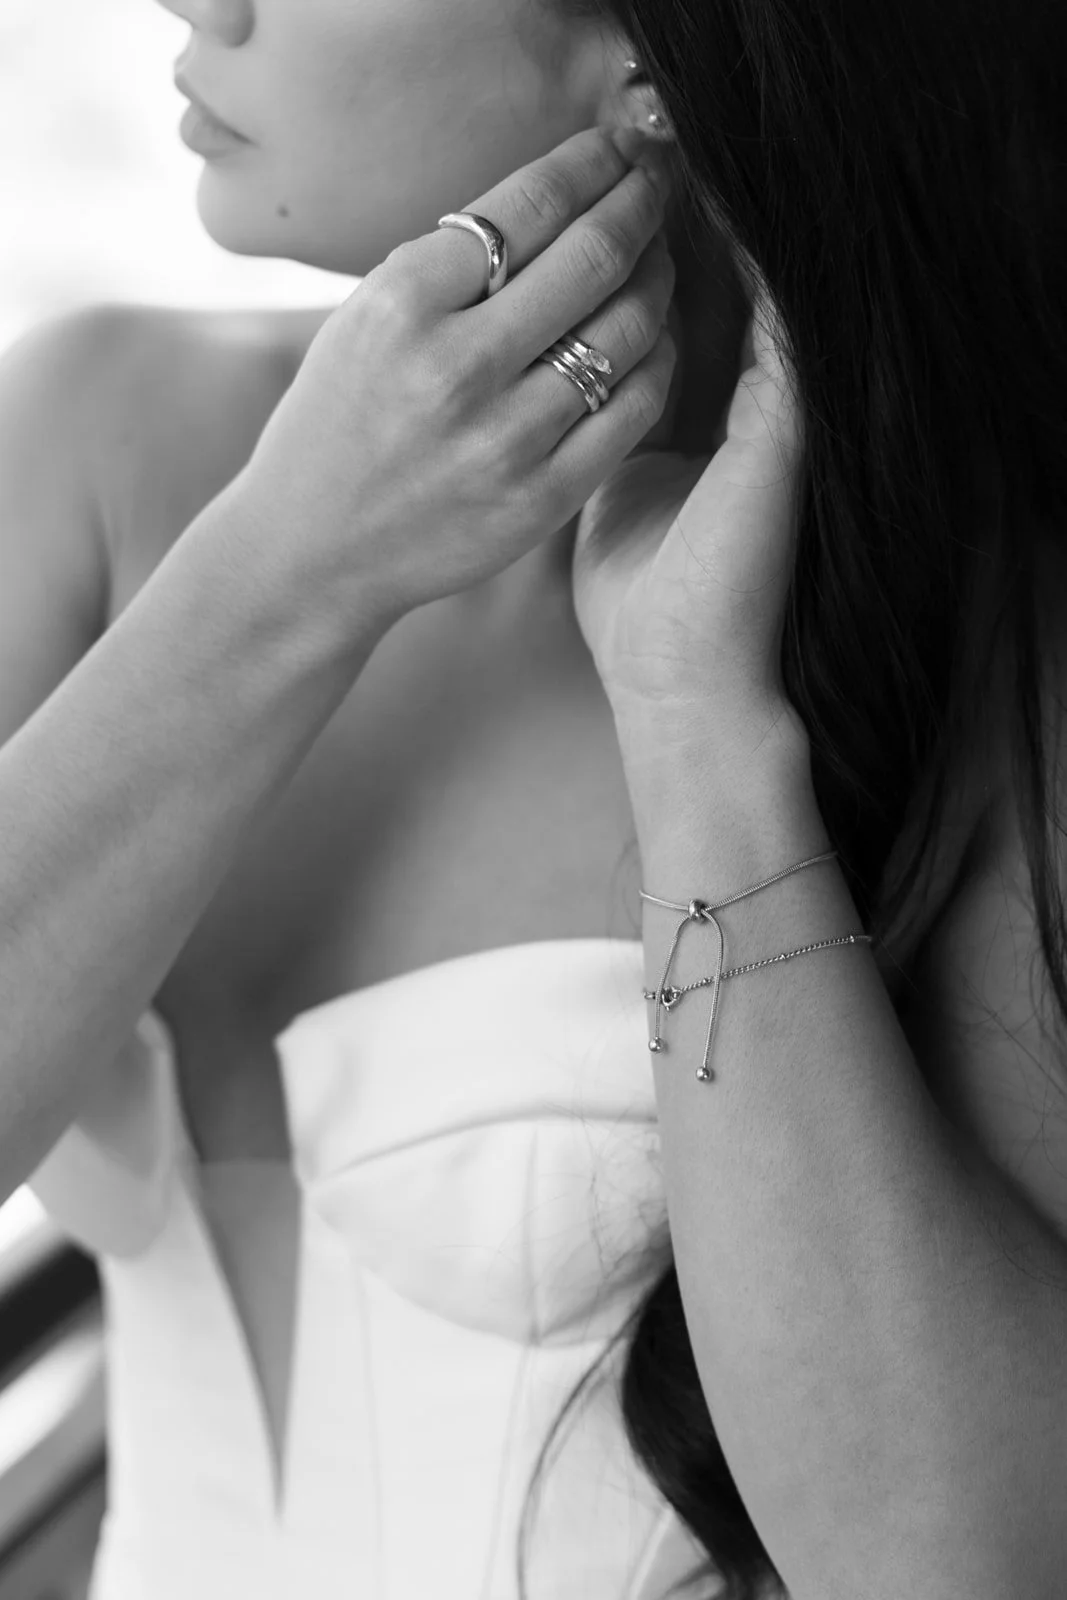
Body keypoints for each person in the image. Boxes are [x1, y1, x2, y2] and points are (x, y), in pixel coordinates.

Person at [4, 5, 1066, 1600]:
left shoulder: (974, 613)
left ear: (654, 60)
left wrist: (698, 722)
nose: (191, 1)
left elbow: (944, 1560)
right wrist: (294, 564)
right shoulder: (92, 426)